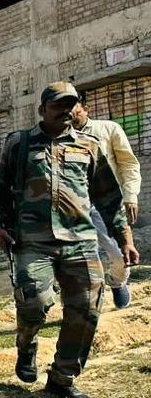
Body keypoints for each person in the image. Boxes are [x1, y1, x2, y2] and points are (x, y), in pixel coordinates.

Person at [0, 82, 139, 398]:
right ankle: (26, 345)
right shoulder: (19, 144)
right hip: (32, 241)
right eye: (58, 105)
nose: (66, 111)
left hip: (81, 241)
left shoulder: (89, 145)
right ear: (42, 110)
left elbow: (109, 199)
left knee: (87, 310)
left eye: (71, 104)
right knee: (34, 302)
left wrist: (125, 238)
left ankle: (62, 379)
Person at [72, 100, 141, 309]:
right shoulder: (58, 138)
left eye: (75, 109)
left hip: (106, 204)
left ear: (86, 109)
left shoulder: (108, 129)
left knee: (119, 254)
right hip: (74, 207)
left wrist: (130, 195)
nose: (71, 114)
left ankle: (118, 282)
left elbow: (128, 163)